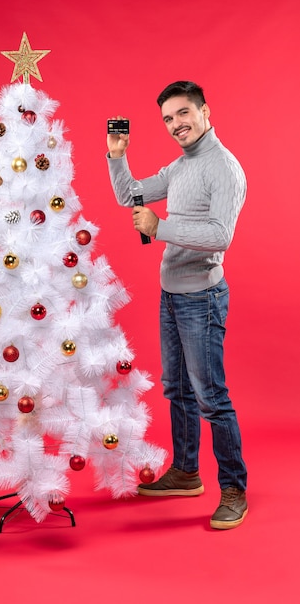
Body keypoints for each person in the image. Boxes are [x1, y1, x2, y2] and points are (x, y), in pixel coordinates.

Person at [106, 81, 248, 530]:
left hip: (202, 298)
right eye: (168, 119)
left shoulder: (223, 168)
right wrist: (117, 154)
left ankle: (234, 489)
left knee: (211, 398)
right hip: (171, 294)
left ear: (205, 110)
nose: (176, 125)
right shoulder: (181, 166)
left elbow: (220, 235)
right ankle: (186, 473)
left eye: (183, 113)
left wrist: (160, 227)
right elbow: (129, 194)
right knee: (177, 389)